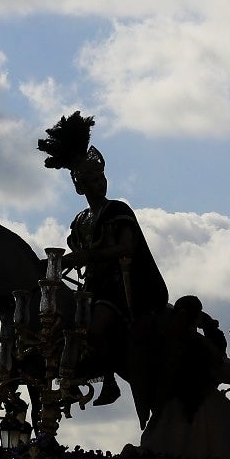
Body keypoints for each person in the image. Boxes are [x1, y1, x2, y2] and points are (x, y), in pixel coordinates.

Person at [60, 146, 170, 418]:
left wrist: (88, 255)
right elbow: (77, 250)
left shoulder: (117, 210)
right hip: (91, 287)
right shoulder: (79, 220)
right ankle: (71, 376)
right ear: (82, 187)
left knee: (95, 328)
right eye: (94, 180)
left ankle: (109, 380)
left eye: (102, 178)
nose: (101, 183)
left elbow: (126, 248)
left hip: (120, 287)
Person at [141, 297, 230, 459]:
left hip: (175, 406)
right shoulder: (199, 343)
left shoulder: (166, 341)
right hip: (201, 404)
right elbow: (225, 370)